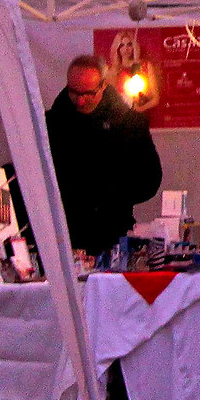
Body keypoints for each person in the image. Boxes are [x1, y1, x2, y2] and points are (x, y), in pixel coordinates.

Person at [46, 55, 164, 258]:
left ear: (103, 85)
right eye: (74, 92)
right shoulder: (50, 124)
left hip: (112, 233)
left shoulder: (129, 123)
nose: (80, 100)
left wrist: (111, 195)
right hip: (62, 234)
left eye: (88, 93)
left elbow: (150, 179)